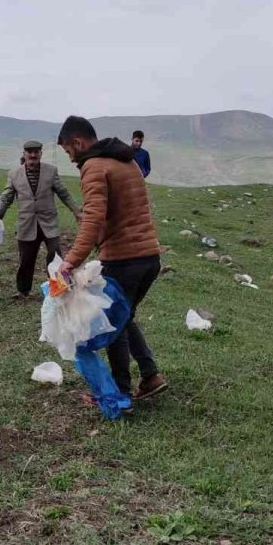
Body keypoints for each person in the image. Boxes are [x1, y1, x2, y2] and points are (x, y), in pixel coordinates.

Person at [57, 116, 168, 401]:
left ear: (78, 143)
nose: (71, 159)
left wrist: (70, 261)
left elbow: (92, 218)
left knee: (113, 323)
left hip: (124, 259)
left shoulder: (93, 166)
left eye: (70, 151)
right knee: (125, 315)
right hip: (149, 257)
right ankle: (150, 375)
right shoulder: (126, 160)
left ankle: (120, 393)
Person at [0, 140, 81, 299]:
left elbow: (64, 193)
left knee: (55, 257)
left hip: (49, 223)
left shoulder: (51, 171)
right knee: (26, 260)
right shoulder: (14, 174)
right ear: (24, 154)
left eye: (36, 152)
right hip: (26, 225)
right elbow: (6, 197)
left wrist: (77, 212)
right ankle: (23, 291)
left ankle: (59, 290)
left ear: (40, 153)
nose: (33, 155)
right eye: (29, 152)